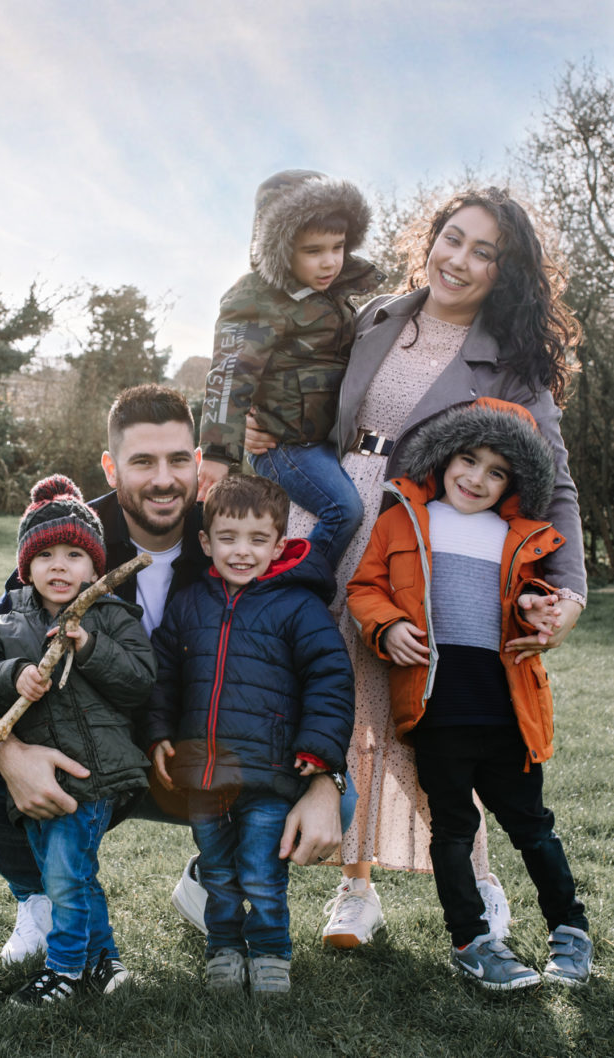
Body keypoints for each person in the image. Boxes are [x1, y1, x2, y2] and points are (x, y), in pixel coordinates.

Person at [244, 187, 587, 949]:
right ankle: (351, 891)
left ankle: (483, 884)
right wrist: (253, 420)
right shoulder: (373, 316)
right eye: (451, 238)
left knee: (420, 716)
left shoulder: (515, 365)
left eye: (482, 251)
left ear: (505, 272)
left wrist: (566, 593)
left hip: (420, 548)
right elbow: (301, 391)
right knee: (332, 705)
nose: (458, 260)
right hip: (326, 522)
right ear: (428, 238)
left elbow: (553, 481)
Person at [0, 384, 347, 966]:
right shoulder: (64, 539)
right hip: (84, 752)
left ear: (198, 461)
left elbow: (310, 665)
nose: (163, 479)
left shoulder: (227, 537)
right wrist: (8, 753)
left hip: (198, 756)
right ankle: (41, 898)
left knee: (331, 802)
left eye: (179, 459)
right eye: (142, 461)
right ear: (110, 465)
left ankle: (212, 871)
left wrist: (328, 778)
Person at [346, 399, 592, 989]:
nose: (477, 478)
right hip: (438, 712)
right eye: (468, 459)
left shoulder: (522, 535)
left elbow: (532, 597)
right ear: (444, 457)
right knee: (453, 831)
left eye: (497, 471)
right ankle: (474, 941)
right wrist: (387, 624)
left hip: (509, 711)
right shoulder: (404, 518)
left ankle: (571, 932)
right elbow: (364, 587)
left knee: (532, 825)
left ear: (516, 482)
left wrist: (536, 604)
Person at [146, 475, 354, 994]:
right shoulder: (190, 603)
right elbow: (163, 675)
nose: (242, 551)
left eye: (258, 540)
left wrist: (319, 751)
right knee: (217, 872)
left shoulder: (298, 606)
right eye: (229, 538)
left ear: (279, 544)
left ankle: (269, 953)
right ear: (206, 542)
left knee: (262, 874)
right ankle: (223, 948)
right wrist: (157, 733)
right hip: (203, 773)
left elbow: (330, 678)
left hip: (269, 774)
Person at [0, 475, 157, 1004]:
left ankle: (65, 969)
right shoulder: (6, 624)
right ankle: (105, 963)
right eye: (45, 554)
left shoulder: (113, 617)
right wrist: (12, 675)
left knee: (67, 873)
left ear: (95, 564)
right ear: (26, 567)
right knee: (71, 872)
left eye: (74, 553)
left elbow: (140, 682)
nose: (60, 565)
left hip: (93, 774)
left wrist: (89, 647)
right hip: (33, 778)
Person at [198, 169, 384, 569]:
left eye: (337, 247)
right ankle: (301, 581)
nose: (330, 261)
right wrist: (217, 452)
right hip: (283, 446)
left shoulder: (336, 293)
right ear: (283, 249)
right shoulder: (256, 298)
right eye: (313, 250)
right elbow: (229, 375)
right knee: (344, 509)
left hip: (325, 439)